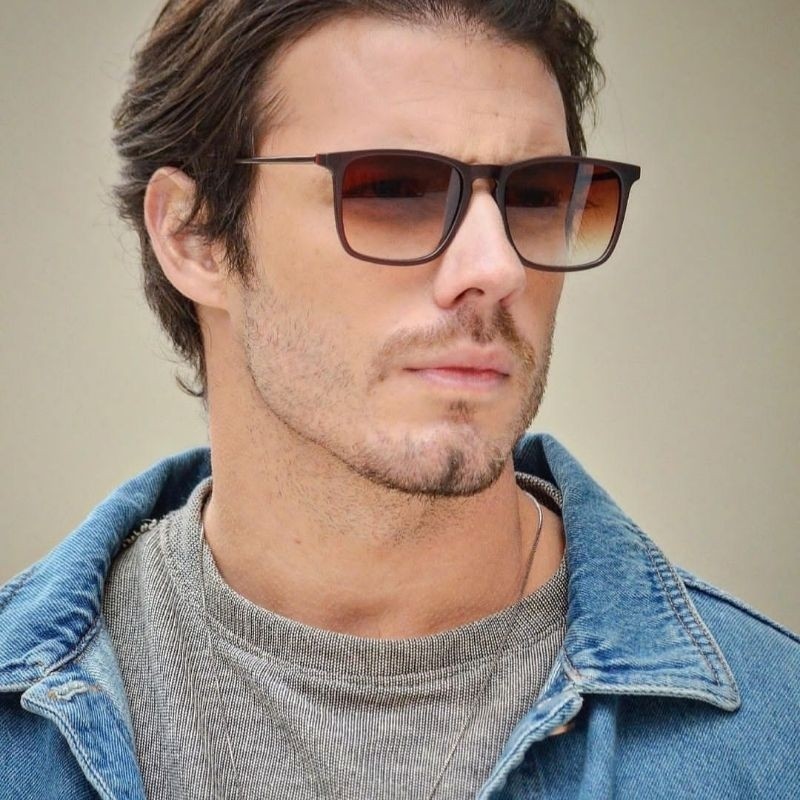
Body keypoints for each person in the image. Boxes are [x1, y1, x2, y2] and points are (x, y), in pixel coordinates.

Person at [0, 0, 797, 798]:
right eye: (393, 188)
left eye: (536, 195)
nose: (496, 268)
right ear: (194, 234)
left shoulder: (774, 739)